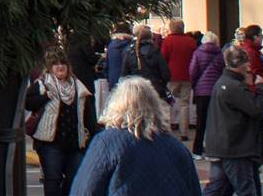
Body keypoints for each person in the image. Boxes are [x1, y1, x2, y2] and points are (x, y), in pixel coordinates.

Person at [69, 77, 200, 195]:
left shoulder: (107, 142)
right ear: (155, 106)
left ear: (117, 106)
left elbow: (84, 190)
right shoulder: (177, 148)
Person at [202, 45, 263, 196]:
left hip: (223, 145)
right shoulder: (233, 87)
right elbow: (256, 108)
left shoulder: (224, 83)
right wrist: (260, 88)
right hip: (236, 148)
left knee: (218, 189)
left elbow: (238, 112)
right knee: (246, 190)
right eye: (247, 63)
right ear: (242, 64)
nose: (249, 67)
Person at [27, 50, 98, 196]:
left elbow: (88, 115)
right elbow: (28, 104)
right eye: (55, 64)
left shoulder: (79, 86)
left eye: (63, 63)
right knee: (53, 179)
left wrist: (95, 135)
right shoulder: (42, 84)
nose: (60, 67)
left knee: (75, 178)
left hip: (75, 143)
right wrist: (45, 97)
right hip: (50, 142)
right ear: (49, 67)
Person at [189, 32, 225, 158]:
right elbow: (222, 71)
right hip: (215, 91)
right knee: (214, 122)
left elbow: (193, 71)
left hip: (201, 91)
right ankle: (212, 150)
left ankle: (197, 151)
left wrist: (194, 85)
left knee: (201, 122)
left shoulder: (198, 53)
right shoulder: (220, 54)